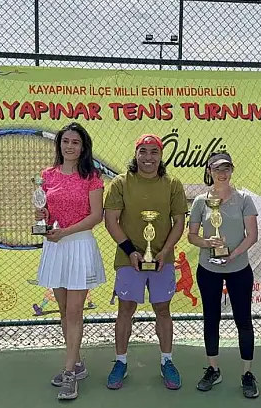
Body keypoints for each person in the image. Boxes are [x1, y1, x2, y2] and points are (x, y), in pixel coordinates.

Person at [103, 134, 187, 391]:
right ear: (136, 154)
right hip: (128, 259)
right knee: (126, 309)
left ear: (161, 155)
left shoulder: (173, 184)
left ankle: (167, 361)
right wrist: (130, 251)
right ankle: (120, 362)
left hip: (162, 260)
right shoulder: (120, 183)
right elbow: (111, 221)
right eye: (143, 151)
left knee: (162, 309)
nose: (148, 157)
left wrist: (165, 252)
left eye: (154, 152)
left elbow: (179, 222)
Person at [35, 122, 107, 400]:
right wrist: (43, 217)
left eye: (75, 142)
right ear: (59, 144)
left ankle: (68, 374)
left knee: (75, 312)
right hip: (55, 248)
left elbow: (96, 216)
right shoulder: (47, 176)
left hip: (80, 246)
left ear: (83, 147)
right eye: (65, 141)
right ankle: (76, 364)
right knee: (65, 312)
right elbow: (47, 211)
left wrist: (66, 232)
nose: (69, 146)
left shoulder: (92, 176)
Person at [187, 151, 259, 398]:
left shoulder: (244, 200)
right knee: (211, 318)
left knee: (243, 320)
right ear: (209, 171)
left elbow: (252, 235)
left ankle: (247, 373)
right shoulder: (200, 202)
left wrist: (233, 254)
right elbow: (192, 236)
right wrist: (207, 243)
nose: (222, 173)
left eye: (226, 168)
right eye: (217, 168)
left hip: (239, 269)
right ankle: (213, 369)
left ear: (232, 170)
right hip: (208, 269)